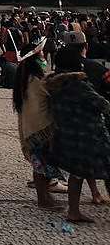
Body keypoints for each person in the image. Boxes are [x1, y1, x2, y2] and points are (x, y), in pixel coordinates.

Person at [45, 46, 110, 223]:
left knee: (76, 173)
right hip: (89, 135)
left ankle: (73, 211)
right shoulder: (79, 85)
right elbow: (103, 104)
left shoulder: (54, 85)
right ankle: (76, 210)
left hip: (67, 136)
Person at [12, 44, 64, 212]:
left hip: (31, 129)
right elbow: (49, 92)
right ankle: (44, 198)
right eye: (41, 53)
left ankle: (45, 197)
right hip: (40, 130)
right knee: (42, 166)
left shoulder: (25, 77)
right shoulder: (35, 79)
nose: (43, 56)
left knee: (40, 165)